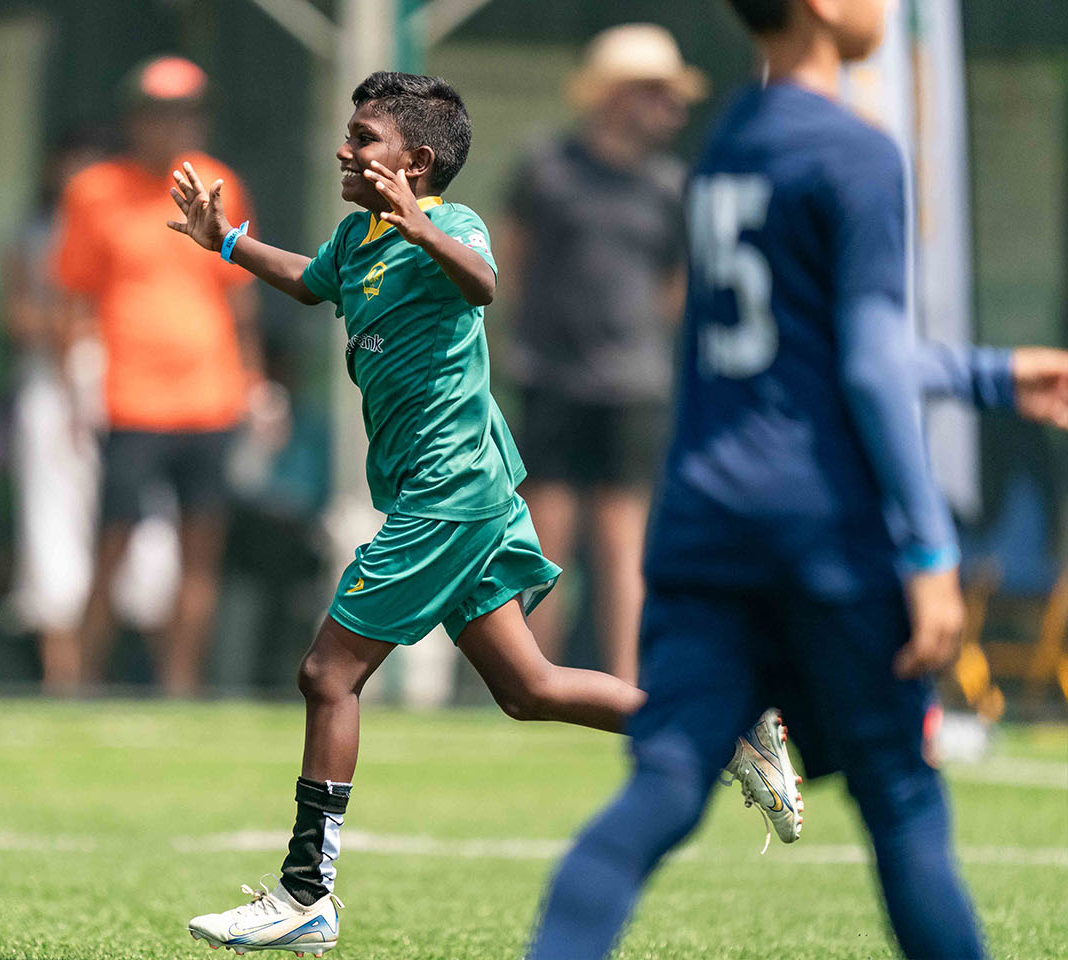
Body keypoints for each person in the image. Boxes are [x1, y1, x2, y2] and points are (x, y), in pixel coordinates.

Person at [165, 71, 800, 958]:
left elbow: (483, 285)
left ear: (416, 162)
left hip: (451, 493)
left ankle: (306, 893)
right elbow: (312, 283)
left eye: (363, 138)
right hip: (458, 493)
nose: (344, 150)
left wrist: (417, 221)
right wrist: (226, 242)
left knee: (327, 676)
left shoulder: (450, 226)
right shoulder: (356, 241)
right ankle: (726, 720)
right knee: (529, 689)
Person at [526, 1, 1068, 957]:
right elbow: (865, 366)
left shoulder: (727, 138)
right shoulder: (857, 151)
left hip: (707, 527)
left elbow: (796, 353)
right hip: (823, 536)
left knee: (660, 790)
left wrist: (988, 373)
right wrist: (929, 547)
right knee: (901, 797)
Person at [55, 56, 263, 696]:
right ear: (135, 119)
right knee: (110, 547)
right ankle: (77, 682)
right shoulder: (95, 190)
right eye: (159, 113)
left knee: (200, 552)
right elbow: (75, 295)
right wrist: (75, 382)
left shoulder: (220, 182)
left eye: (185, 113)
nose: (172, 126)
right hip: (131, 397)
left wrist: (254, 382)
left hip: (210, 396)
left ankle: (181, 687)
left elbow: (240, 292)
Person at [502, 23, 704, 680]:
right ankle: (532, 683)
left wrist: (636, 344)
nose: (669, 110)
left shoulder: (669, 187)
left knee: (624, 546)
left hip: (633, 385)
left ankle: (624, 690)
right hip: (552, 377)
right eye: (655, 94)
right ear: (615, 96)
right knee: (543, 541)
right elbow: (510, 260)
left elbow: (676, 287)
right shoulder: (547, 168)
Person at [3, 128, 106, 693]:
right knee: (51, 530)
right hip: (49, 392)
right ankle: (62, 675)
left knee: (133, 533)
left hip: (122, 388)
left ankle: (141, 677)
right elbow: (16, 316)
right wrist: (67, 325)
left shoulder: (128, 229)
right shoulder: (31, 235)